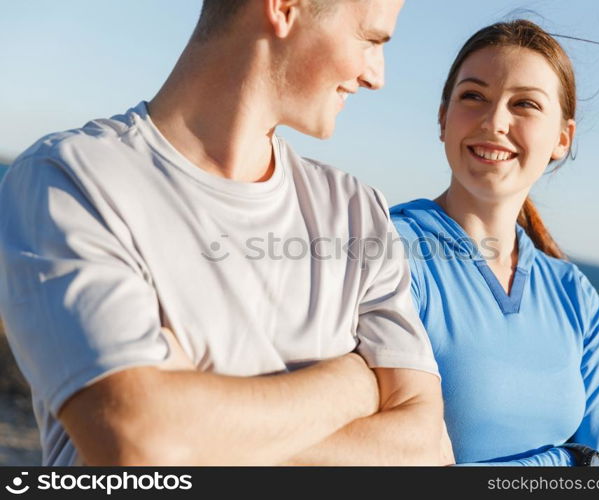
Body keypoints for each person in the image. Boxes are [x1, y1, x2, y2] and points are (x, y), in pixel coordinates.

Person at [0, 0, 453, 466]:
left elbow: (423, 447)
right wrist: (355, 384)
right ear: (284, 8)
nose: (377, 76)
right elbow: (139, 443)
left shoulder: (358, 212)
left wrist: (199, 426)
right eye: (371, 40)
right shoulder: (71, 180)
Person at [390, 20, 599, 466]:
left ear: (563, 138)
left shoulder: (573, 294)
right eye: (473, 96)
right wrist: (568, 462)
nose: (494, 121)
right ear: (443, 118)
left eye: (524, 104)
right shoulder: (390, 252)